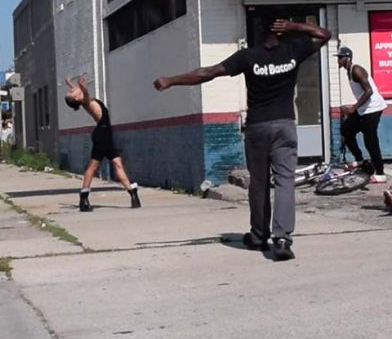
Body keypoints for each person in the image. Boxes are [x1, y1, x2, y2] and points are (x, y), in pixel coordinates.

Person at [153, 16, 331, 261]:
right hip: (284, 126)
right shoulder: (293, 50)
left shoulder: (247, 57)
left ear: (257, 32)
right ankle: (281, 239)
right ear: (280, 33)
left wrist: (171, 80)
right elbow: (324, 34)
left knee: (258, 184)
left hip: (257, 127)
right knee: (284, 182)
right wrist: (295, 26)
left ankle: (259, 236)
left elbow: (208, 73)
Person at [64, 76, 141, 211]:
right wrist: (83, 88)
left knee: (117, 163)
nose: (74, 90)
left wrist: (69, 83)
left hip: (106, 134)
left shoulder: (81, 98)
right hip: (101, 136)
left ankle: (132, 193)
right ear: (77, 98)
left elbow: (78, 91)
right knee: (93, 167)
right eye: (72, 92)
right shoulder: (86, 102)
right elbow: (85, 95)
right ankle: (84, 198)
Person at [336, 46, 387, 183]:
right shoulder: (348, 72)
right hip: (363, 109)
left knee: (370, 141)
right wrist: (354, 107)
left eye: (341, 58)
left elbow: (369, 91)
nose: (339, 60)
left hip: (373, 108)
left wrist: (354, 107)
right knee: (346, 130)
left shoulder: (356, 70)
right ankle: (359, 160)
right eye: (338, 58)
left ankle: (380, 173)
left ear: (348, 58)